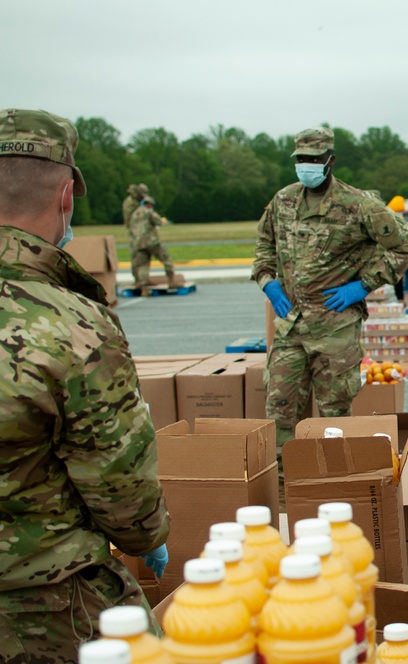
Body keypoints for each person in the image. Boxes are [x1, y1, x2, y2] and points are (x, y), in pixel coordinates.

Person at [0, 108, 171, 663]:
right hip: (43, 604)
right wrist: (150, 537)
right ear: (66, 197)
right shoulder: (72, 326)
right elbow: (125, 498)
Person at [253, 126, 408, 489]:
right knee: (279, 408)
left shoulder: (358, 204)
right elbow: (263, 246)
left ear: (330, 160)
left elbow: (405, 244)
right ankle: (284, 494)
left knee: (334, 413)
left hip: (335, 323)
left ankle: (335, 489)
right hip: (291, 322)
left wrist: (363, 285)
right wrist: (269, 282)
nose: (307, 166)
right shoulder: (282, 201)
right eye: (301, 160)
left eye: (314, 159)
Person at [129, 195, 181, 295]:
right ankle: (171, 280)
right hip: (151, 241)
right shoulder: (149, 211)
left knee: (143, 265)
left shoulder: (134, 214)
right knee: (166, 259)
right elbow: (158, 221)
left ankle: (144, 289)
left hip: (138, 243)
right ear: (149, 204)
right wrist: (162, 221)